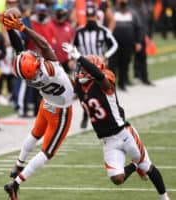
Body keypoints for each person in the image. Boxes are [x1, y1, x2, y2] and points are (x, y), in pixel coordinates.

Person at [62, 42, 171, 200]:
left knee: (147, 166)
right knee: (117, 179)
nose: (81, 71)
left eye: (84, 69)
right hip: (108, 140)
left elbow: (99, 76)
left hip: (124, 133)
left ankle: (164, 197)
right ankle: (135, 165)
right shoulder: (80, 87)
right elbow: (70, 76)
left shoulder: (105, 83)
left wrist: (79, 57)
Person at [2, 12, 74, 200]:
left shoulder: (23, 73)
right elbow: (43, 44)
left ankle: (19, 163)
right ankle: (15, 184)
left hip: (46, 104)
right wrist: (22, 28)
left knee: (35, 134)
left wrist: (10, 29)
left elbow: (20, 51)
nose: (31, 54)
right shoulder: (50, 71)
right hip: (60, 110)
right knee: (47, 152)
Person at [73, 1, 117, 129]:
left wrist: (105, 55)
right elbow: (73, 46)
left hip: (99, 67)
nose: (91, 18)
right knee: (84, 93)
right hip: (84, 68)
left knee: (101, 92)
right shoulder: (79, 31)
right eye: (89, 16)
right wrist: (74, 58)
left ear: (96, 17)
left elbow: (114, 45)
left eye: (93, 16)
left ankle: (105, 115)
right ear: (86, 16)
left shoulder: (103, 31)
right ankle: (86, 116)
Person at [109, 0, 141, 91]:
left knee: (125, 64)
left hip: (127, 44)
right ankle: (111, 85)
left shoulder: (132, 13)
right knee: (113, 65)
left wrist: (138, 42)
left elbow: (138, 27)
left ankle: (122, 83)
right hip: (114, 44)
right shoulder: (112, 12)